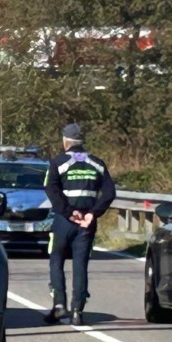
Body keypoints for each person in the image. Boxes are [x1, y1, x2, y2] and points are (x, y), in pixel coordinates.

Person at [41, 123, 115, 326]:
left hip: (64, 222)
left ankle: (59, 305)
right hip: (87, 224)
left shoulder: (58, 162)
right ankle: (77, 311)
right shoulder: (98, 163)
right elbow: (109, 193)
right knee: (80, 265)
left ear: (65, 141)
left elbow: (51, 190)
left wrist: (68, 212)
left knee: (56, 260)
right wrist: (93, 214)